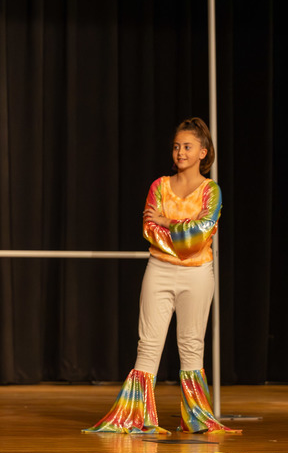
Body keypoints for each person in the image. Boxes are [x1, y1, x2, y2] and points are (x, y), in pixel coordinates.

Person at [84, 117, 239, 434]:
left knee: (191, 344)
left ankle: (196, 418)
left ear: (203, 153)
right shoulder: (159, 186)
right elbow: (149, 230)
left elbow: (201, 234)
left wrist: (168, 222)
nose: (181, 152)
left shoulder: (211, 191)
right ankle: (137, 416)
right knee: (148, 344)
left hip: (197, 275)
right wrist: (178, 234)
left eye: (188, 146)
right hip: (160, 270)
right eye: (177, 146)